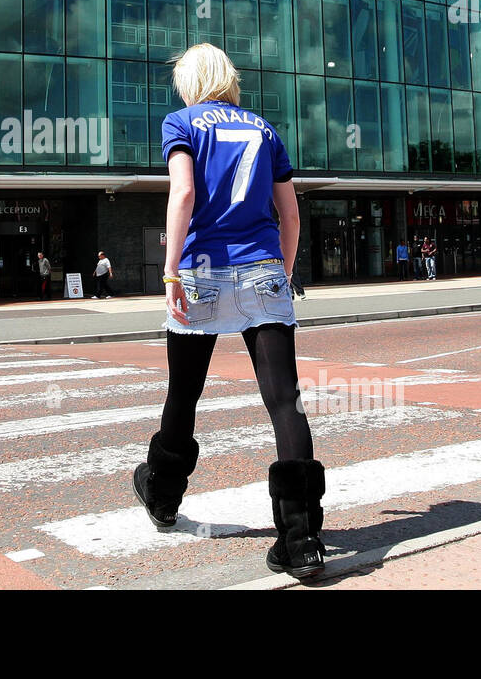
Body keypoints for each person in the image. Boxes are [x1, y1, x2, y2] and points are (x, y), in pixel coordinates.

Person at [134, 43, 325, 579]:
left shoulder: (182, 122)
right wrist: (282, 271)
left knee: (185, 391)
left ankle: (163, 494)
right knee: (285, 401)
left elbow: (184, 193)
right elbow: (290, 214)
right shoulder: (264, 129)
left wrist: (170, 268)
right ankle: (302, 537)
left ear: (191, 81)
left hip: (205, 270)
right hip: (263, 265)